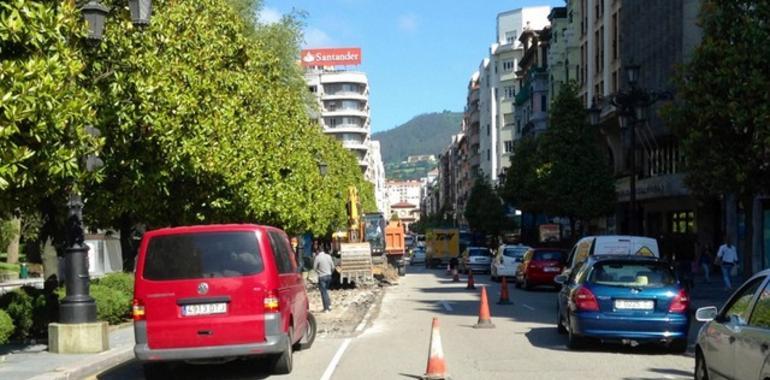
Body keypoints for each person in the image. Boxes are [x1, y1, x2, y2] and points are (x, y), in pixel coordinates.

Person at [313, 242, 335, 312]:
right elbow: (333, 267)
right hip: (329, 276)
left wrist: (318, 272)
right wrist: (330, 272)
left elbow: (314, 268)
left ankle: (326, 308)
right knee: (326, 291)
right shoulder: (328, 256)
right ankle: (329, 305)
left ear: (318, 251)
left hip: (322, 277)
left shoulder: (317, 257)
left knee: (323, 292)